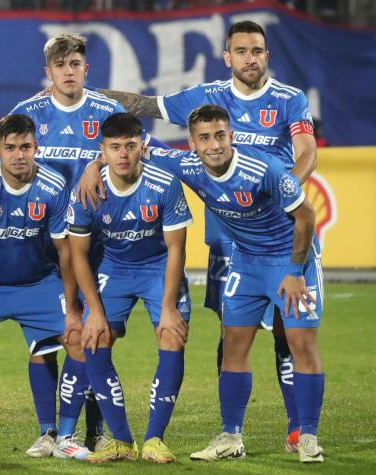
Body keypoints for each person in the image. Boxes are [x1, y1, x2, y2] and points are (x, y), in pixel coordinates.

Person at [92, 20, 317, 451]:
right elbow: (145, 106)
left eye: (257, 51)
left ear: (267, 56)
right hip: (226, 236)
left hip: (273, 227)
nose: (250, 59)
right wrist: (86, 98)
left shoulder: (290, 99)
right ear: (227, 57)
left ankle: (296, 427)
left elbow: (307, 151)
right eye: (241, 51)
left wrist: (283, 189)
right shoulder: (206, 97)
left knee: (288, 330)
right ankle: (231, 430)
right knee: (232, 329)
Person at [147, 105, 324, 464]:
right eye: (205, 138)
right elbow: (137, 148)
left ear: (232, 136)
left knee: (300, 343)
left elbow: (306, 216)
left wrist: (293, 271)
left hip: (291, 260)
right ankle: (231, 436)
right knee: (233, 345)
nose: (214, 145)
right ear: (192, 144)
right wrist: (91, 168)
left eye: (220, 135)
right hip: (246, 261)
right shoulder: (187, 166)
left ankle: (307, 437)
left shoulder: (265, 170)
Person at [8, 33, 135, 456]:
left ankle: (95, 429)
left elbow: (131, 152)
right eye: (60, 64)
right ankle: (49, 430)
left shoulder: (106, 111)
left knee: (96, 336)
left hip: (98, 242)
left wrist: (96, 164)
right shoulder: (27, 113)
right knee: (47, 337)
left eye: (75, 62)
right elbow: (11, 165)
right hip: (43, 245)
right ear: (48, 71)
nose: (68, 70)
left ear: (86, 68)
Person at [0, 114, 86, 465]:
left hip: (39, 282)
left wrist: (72, 307)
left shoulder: (54, 186)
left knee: (76, 339)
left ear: (36, 147)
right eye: (10, 148)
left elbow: (65, 250)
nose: (19, 155)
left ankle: (59, 434)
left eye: (25, 146)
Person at [67, 113, 192, 463]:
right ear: (102, 151)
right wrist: (92, 310)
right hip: (114, 269)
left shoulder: (164, 183)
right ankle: (121, 440)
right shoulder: (88, 188)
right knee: (94, 337)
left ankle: (155, 438)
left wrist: (168, 307)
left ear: (142, 146)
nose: (123, 154)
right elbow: (78, 255)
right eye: (115, 147)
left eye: (131, 146)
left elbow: (176, 250)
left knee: (172, 333)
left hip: (157, 268)